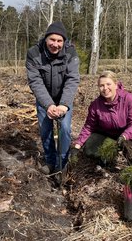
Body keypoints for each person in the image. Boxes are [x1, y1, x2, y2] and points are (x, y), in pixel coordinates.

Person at [26, 21, 80, 174]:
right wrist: (48, 105)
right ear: (46, 39)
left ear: (64, 41)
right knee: (45, 130)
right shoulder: (34, 53)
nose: (55, 44)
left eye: (59, 41)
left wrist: (63, 104)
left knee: (64, 129)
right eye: (52, 40)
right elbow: (35, 81)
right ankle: (50, 162)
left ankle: (62, 165)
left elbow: (72, 79)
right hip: (45, 99)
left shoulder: (70, 53)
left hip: (64, 98)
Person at [72, 70, 132, 164]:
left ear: (115, 84)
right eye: (101, 85)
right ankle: (108, 159)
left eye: (108, 84)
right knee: (89, 150)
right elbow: (89, 127)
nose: (105, 88)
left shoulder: (130, 100)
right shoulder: (95, 105)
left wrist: (124, 136)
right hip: (106, 134)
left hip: (128, 135)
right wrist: (77, 145)